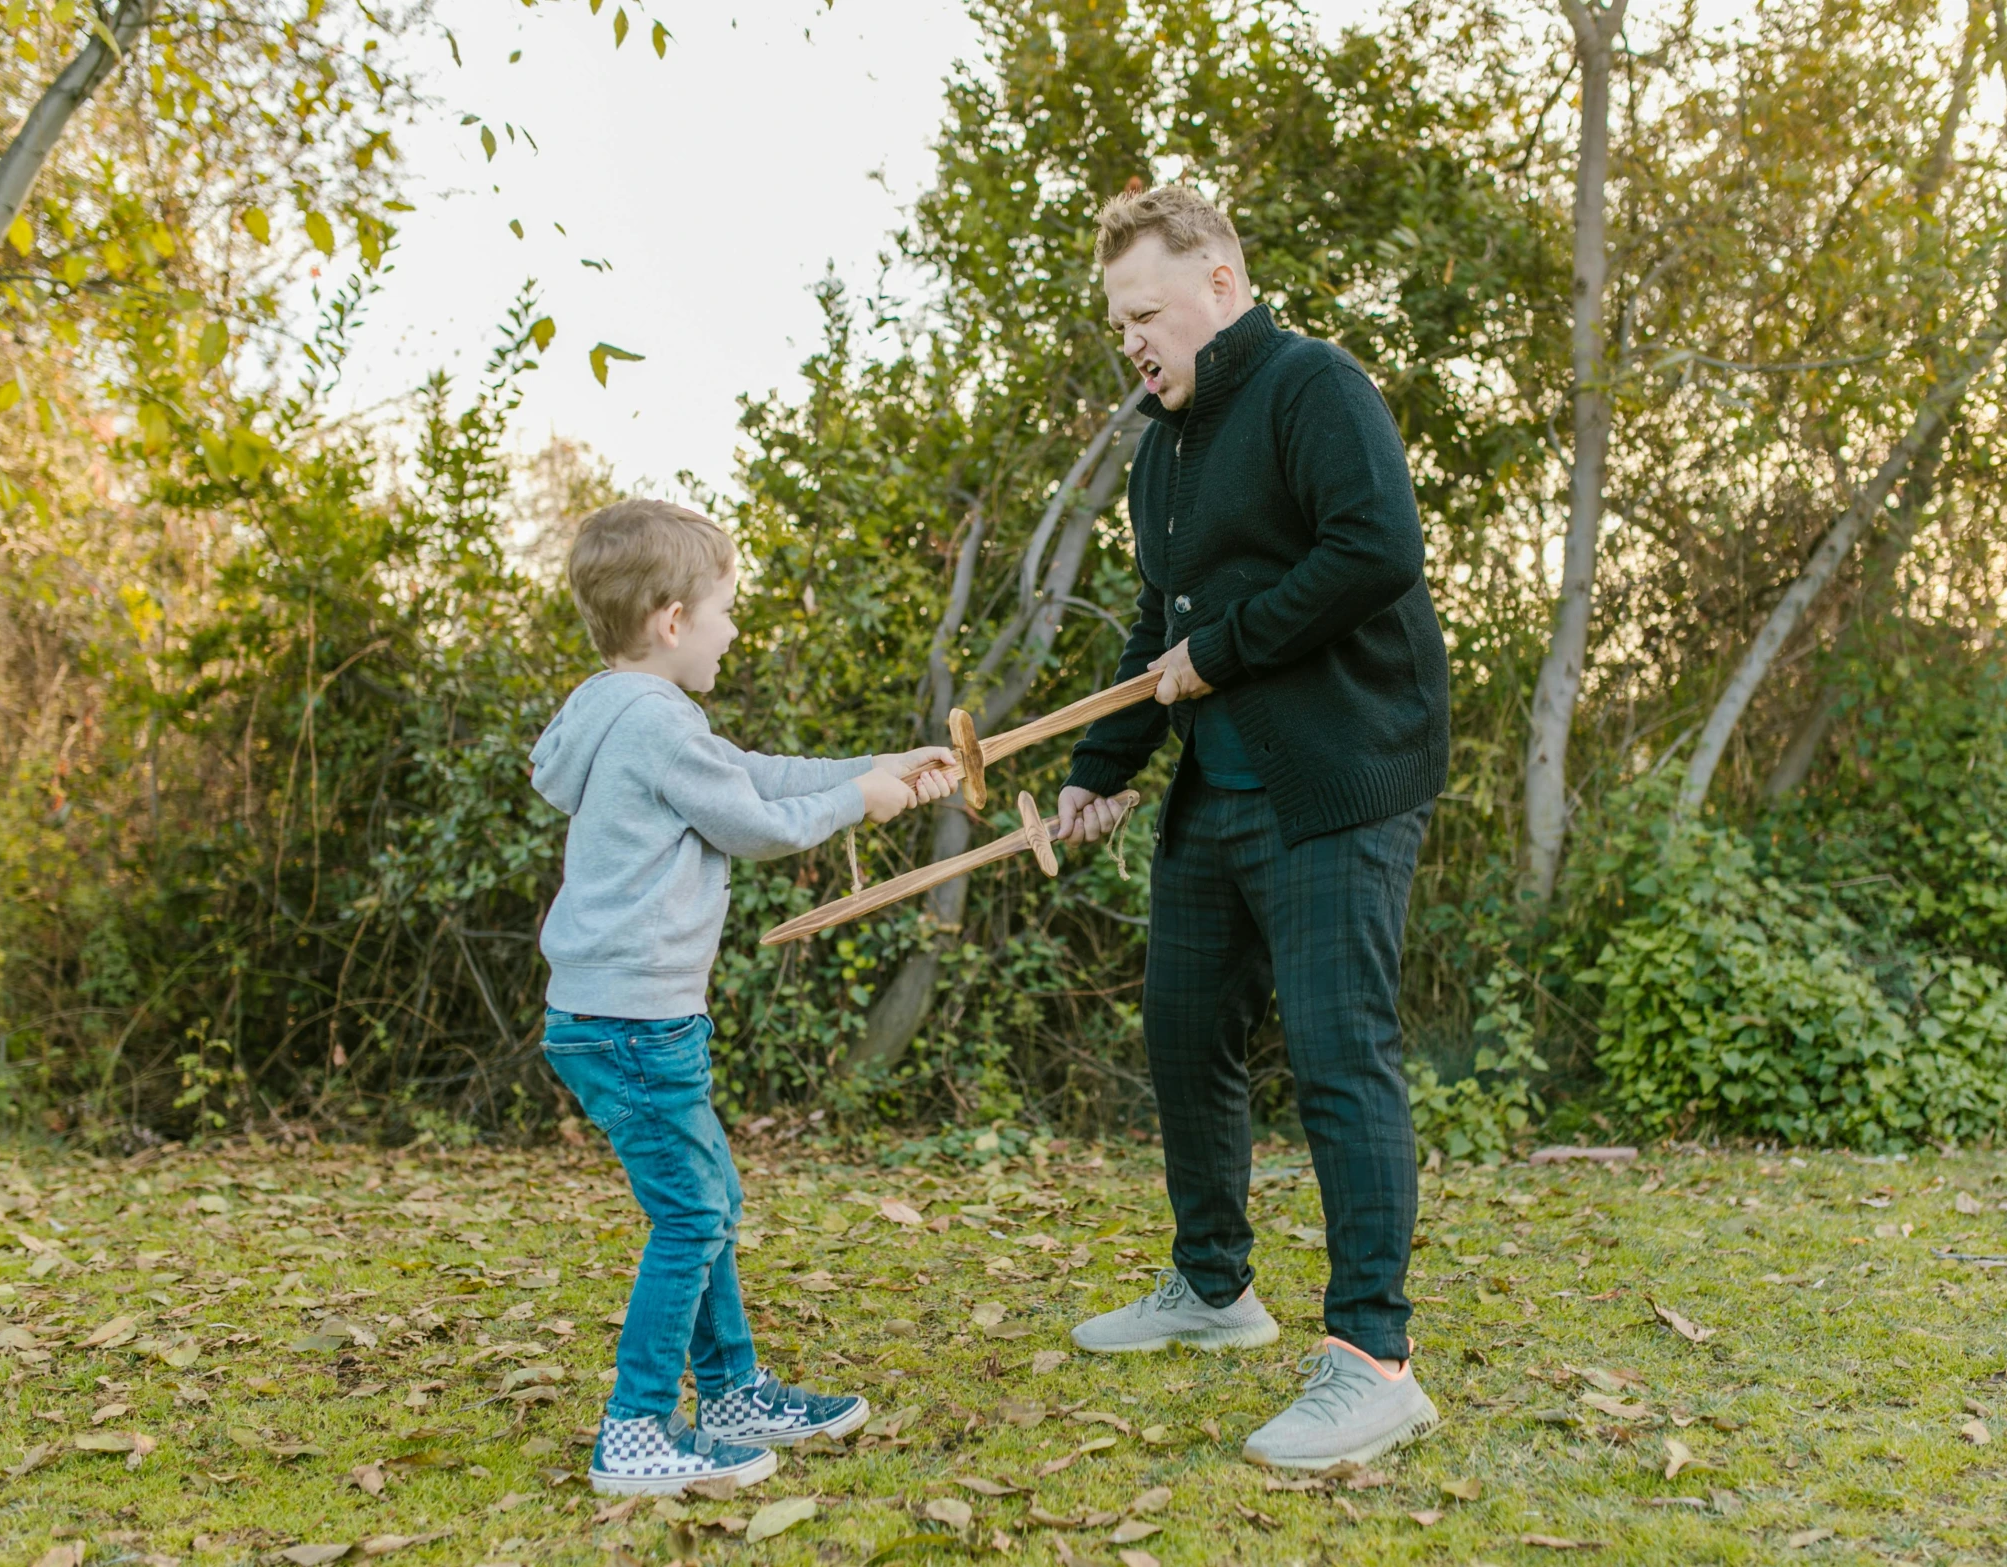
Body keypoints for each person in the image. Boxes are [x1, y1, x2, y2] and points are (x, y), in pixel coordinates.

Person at [1057, 186, 1452, 1470]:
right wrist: (1096, 766)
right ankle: (1214, 1288)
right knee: (1183, 1034)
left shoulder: (1312, 386)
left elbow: (1374, 550)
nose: (1132, 340)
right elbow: (1154, 624)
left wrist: (1217, 652)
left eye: (1147, 312)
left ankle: (1372, 1359)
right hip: (1214, 790)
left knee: (1339, 1053)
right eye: (1118, 323)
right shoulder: (1163, 448)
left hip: (1337, 777)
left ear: (1220, 280)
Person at [529, 499, 956, 1495]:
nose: (734, 629)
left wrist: (875, 767)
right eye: (725, 609)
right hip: (632, 1021)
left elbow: (751, 775)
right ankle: (636, 1428)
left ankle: (729, 1393)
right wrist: (861, 803)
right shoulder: (653, 722)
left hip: (627, 1016)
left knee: (707, 1200)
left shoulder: (619, 709)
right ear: (672, 620)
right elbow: (754, 823)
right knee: (694, 1212)